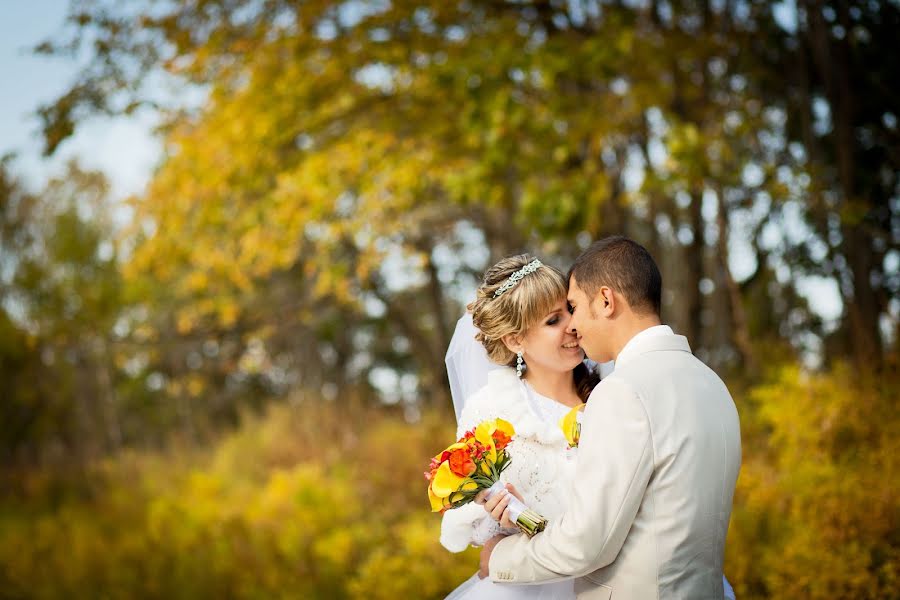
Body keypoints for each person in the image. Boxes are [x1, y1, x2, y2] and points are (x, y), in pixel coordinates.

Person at [480, 236, 742, 599]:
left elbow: (587, 545)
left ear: (606, 300)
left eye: (574, 307)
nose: (574, 326)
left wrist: (500, 557)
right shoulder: (713, 385)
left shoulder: (622, 392)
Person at [442, 255, 600, 600]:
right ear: (515, 341)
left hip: (614, 577)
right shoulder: (489, 409)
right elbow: (478, 526)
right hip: (530, 582)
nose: (572, 326)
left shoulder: (609, 394)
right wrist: (506, 518)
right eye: (553, 320)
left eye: (570, 310)